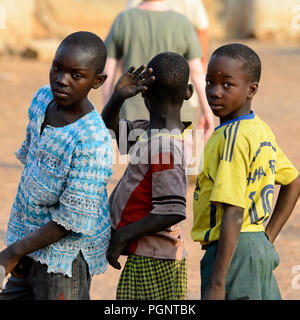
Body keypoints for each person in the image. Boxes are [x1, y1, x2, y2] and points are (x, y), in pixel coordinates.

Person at [0, 31, 113, 300]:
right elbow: (32, 167)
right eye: (57, 68)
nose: (61, 80)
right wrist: (23, 248)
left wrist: (14, 251)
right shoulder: (42, 100)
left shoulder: (92, 140)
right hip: (30, 244)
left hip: (65, 262)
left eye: (77, 75)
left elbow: (70, 221)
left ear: (97, 81)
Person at [191, 43, 300, 300]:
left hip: (232, 253)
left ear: (251, 89)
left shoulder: (231, 138)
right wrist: (266, 238)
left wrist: (217, 284)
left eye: (227, 84)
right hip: (255, 248)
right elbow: (293, 181)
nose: (215, 92)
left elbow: (233, 212)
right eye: (209, 83)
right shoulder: (259, 130)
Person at [101, 52, 194, 299]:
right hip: (148, 253)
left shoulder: (165, 147)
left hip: (156, 259)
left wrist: (122, 236)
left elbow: (173, 209)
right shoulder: (148, 130)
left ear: (143, 93)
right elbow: (111, 129)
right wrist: (117, 98)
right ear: (189, 93)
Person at [102, 0, 214, 143]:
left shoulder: (123, 20)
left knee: (140, 163)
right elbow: (197, 71)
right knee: (176, 160)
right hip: (177, 116)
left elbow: (108, 71)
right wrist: (207, 110)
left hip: (134, 113)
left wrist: (110, 108)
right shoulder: (182, 22)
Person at [127, 0, 210, 70]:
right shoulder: (185, 14)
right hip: (179, 77)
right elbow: (202, 30)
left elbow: (126, 28)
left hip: (137, 78)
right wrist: (201, 66)